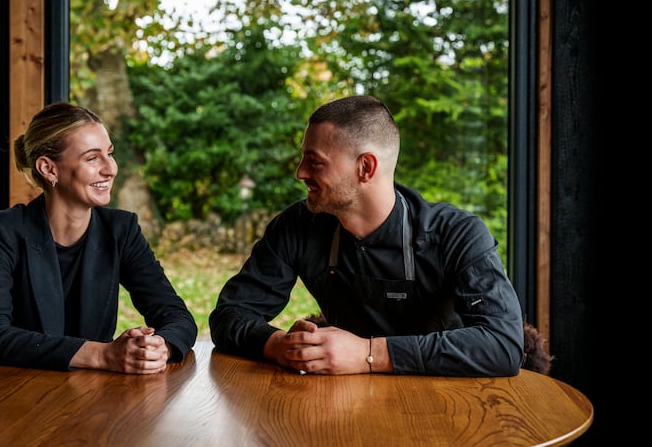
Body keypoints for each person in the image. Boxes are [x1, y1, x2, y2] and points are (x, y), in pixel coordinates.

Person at [209, 95, 524, 377]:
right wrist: (279, 345)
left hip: (445, 402)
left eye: (314, 161)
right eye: (303, 158)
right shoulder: (298, 225)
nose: (300, 172)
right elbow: (228, 316)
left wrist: (367, 354)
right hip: (345, 406)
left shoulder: (457, 234)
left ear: (366, 167)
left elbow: (502, 345)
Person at [0, 102, 197, 374]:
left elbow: (177, 316)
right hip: (18, 395)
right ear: (48, 169)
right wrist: (102, 355)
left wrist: (159, 346)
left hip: (92, 399)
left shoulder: (121, 230)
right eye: (92, 158)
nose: (110, 169)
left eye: (110, 154)